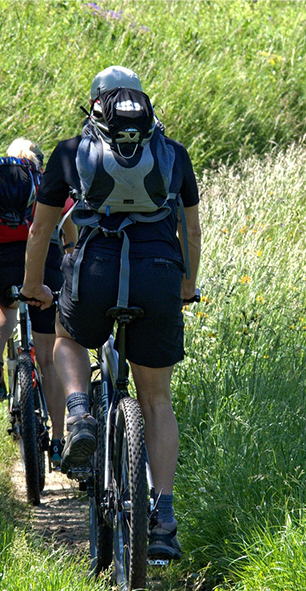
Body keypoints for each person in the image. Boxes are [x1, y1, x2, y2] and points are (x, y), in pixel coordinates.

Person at [20, 67, 201, 561]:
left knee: (67, 335)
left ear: (95, 106)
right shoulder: (174, 153)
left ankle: (79, 413)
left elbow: (40, 232)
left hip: (96, 271)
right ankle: (163, 518)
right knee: (156, 399)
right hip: (158, 275)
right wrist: (186, 285)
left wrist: (34, 286)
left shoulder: (69, 152)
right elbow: (190, 229)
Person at [0, 138, 75, 462]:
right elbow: (70, 231)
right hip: (45, 272)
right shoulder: (48, 186)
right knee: (48, 361)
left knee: (3, 303)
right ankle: (59, 440)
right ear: (38, 161)